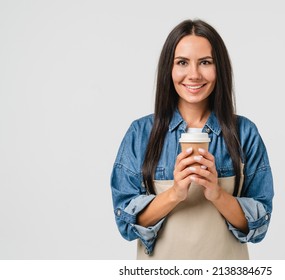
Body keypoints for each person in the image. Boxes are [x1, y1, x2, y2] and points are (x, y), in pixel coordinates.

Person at [110, 19, 274, 260]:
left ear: (220, 69)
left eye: (205, 62)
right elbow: (126, 223)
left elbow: (259, 226)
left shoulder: (244, 133)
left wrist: (216, 193)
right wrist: (175, 192)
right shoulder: (141, 133)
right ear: (170, 68)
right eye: (182, 63)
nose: (194, 74)